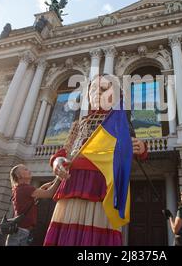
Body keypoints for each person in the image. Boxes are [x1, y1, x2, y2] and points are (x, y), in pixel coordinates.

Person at [44, 74, 148, 246]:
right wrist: (57, 162)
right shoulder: (79, 125)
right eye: (93, 89)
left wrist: (142, 148)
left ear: (117, 96)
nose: (97, 93)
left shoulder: (121, 124)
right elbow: (65, 151)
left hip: (101, 185)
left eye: (104, 89)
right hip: (73, 184)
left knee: (95, 237)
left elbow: (132, 152)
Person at [6, 164, 61, 246]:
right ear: (19, 175)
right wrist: (59, 177)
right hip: (22, 232)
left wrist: (45, 185)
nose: (28, 170)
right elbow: (50, 193)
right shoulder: (25, 188)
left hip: (20, 231)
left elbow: (36, 194)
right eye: (25, 169)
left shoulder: (20, 188)